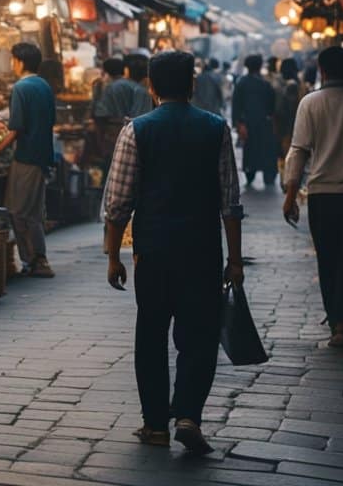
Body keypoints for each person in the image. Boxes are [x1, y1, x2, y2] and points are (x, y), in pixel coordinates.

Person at [103, 51, 243, 457]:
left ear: (151, 86)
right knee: (198, 336)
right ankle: (188, 416)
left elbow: (118, 203)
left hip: (153, 251)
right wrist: (234, 261)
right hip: (202, 251)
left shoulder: (136, 131)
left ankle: (154, 425)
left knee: (151, 334)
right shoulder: (216, 129)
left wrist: (114, 255)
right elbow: (230, 203)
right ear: (193, 85)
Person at [282, 46, 343, 348]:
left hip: (322, 196)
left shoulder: (310, 103)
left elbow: (299, 150)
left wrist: (290, 195)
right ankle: (342, 317)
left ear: (322, 70)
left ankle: (337, 320)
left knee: (327, 259)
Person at [0, 42, 56, 278]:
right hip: (42, 154)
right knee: (32, 209)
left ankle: (36, 259)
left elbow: (16, 128)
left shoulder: (21, 88)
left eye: (13, 60)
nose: (11, 64)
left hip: (27, 156)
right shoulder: (45, 86)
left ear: (20, 61)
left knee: (19, 210)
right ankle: (35, 258)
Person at [233, 54, 279, 189]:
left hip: (248, 123)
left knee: (250, 150)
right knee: (266, 150)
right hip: (265, 123)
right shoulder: (266, 84)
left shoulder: (241, 83)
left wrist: (239, 124)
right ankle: (268, 175)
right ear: (259, 66)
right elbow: (272, 107)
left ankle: (250, 173)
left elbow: (236, 106)